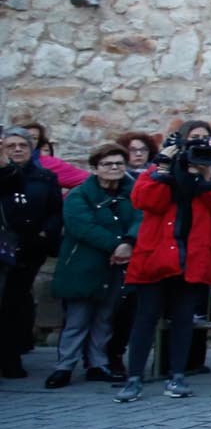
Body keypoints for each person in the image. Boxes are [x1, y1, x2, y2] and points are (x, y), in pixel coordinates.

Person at [116, 122, 211, 401]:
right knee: (145, 318)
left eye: (205, 139)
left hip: (192, 257)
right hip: (156, 255)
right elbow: (145, 200)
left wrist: (206, 177)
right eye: (194, 138)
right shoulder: (160, 169)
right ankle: (134, 377)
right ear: (182, 140)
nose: (200, 143)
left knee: (183, 319)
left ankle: (178, 375)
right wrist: (163, 169)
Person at [46, 144, 138, 387]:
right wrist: (117, 246)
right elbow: (82, 226)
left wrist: (129, 242)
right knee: (77, 318)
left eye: (119, 164)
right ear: (95, 168)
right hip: (83, 265)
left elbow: (142, 218)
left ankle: (97, 364)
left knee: (104, 317)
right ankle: (64, 366)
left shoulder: (133, 193)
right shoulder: (79, 195)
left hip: (116, 266)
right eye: (108, 164)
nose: (114, 168)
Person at [0, 129, 65, 377]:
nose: (17, 150)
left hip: (30, 248)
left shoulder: (45, 177)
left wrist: (44, 234)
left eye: (22, 146)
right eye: (11, 146)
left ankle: (11, 357)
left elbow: (55, 210)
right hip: (5, 245)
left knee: (15, 303)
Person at [21, 123, 88, 190]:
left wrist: (70, 198)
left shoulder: (46, 162)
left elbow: (89, 181)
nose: (28, 141)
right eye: (24, 136)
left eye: (34, 138)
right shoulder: (11, 162)